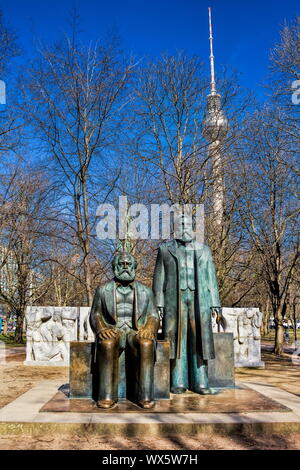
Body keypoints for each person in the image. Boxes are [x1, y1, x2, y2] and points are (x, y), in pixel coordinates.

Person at [153, 213, 220, 395]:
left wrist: (215, 303)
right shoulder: (165, 249)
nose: (184, 227)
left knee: (200, 340)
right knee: (176, 339)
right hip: (174, 299)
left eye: (187, 223)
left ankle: (201, 382)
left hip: (200, 299)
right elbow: (159, 277)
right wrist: (158, 302)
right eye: (180, 224)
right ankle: (178, 381)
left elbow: (211, 277)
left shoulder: (204, 249)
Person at [90, 252, 159, 409]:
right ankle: (107, 395)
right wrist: (101, 329)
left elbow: (154, 316)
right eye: (122, 264)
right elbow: (95, 314)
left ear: (134, 267)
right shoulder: (102, 290)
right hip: (114, 330)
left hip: (136, 331)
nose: (125, 267)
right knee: (107, 343)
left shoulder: (146, 291)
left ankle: (145, 396)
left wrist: (149, 328)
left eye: (129, 264)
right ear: (115, 267)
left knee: (146, 343)